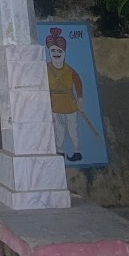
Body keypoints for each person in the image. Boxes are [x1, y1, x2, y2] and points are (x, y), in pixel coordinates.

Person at [45, 26, 84, 162]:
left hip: (70, 105)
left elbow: (78, 82)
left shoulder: (69, 70)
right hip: (55, 104)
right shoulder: (46, 68)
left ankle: (77, 152)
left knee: (73, 130)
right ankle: (60, 152)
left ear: (64, 52)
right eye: (53, 50)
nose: (56, 53)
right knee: (59, 131)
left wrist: (80, 99)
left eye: (59, 50)